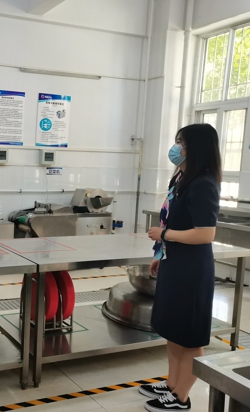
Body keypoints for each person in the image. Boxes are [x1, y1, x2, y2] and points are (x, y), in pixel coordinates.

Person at [141, 123, 221, 412]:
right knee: (173, 330)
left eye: (181, 142)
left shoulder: (204, 184)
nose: (176, 147)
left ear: (195, 147)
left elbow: (205, 233)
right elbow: (175, 220)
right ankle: (172, 383)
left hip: (192, 271)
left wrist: (164, 235)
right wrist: (160, 253)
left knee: (189, 335)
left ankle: (181, 397)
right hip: (174, 263)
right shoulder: (182, 179)